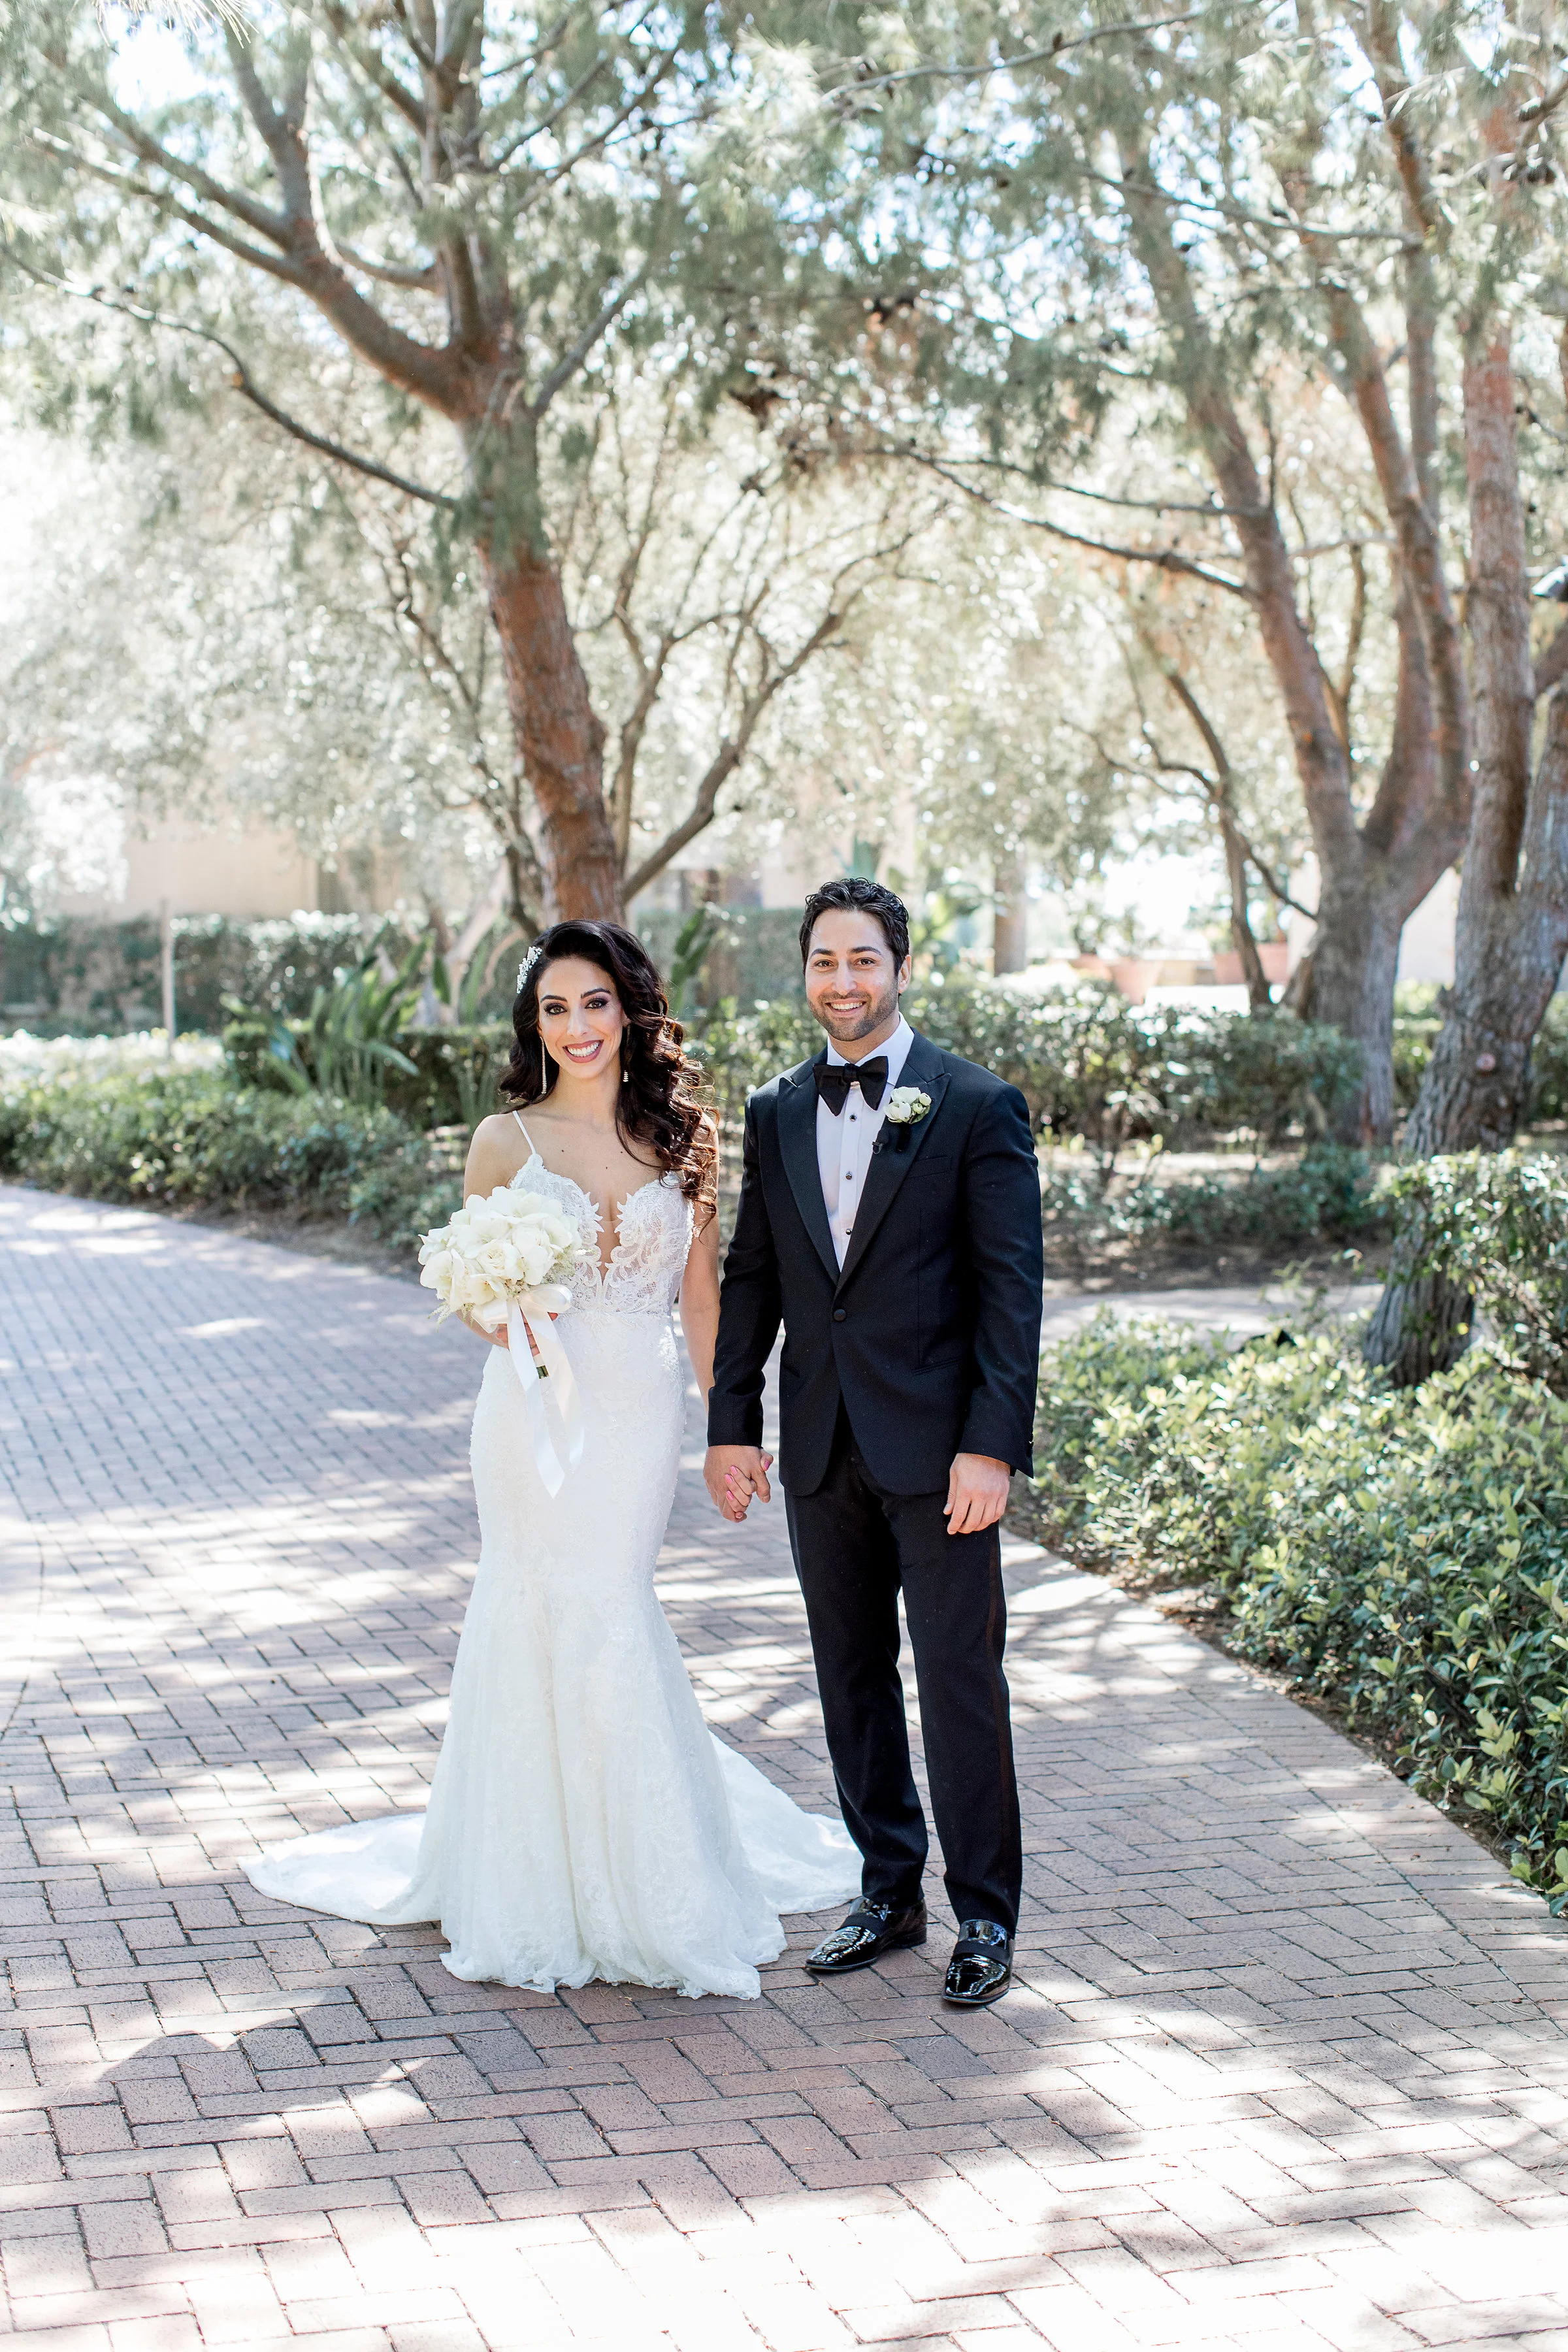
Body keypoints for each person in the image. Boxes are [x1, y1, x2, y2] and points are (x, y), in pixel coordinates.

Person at [245, 921, 858, 1997]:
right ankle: (537, 1877)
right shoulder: (503, 1140)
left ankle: (641, 1870)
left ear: (631, 1010)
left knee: (613, 1601)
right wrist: (512, 1311)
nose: (577, 1027)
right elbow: (473, 1293)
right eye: (554, 1010)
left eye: (594, 1003)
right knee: (533, 1604)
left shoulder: (686, 1136)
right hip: (531, 1416)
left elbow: (704, 1298)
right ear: (536, 1027)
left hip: (634, 1409)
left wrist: (731, 1428)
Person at [704, 879, 1043, 2007]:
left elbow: (1010, 1295)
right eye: (822, 963)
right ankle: (889, 1892)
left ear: (901, 968)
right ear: (803, 974)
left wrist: (990, 1446)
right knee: (849, 1681)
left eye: (861, 961)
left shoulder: (976, 1104)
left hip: (944, 1454)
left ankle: (985, 1916)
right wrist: (730, 1426)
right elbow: (754, 1277)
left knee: (957, 1682)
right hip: (819, 1449)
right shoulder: (775, 1107)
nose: (841, 982)